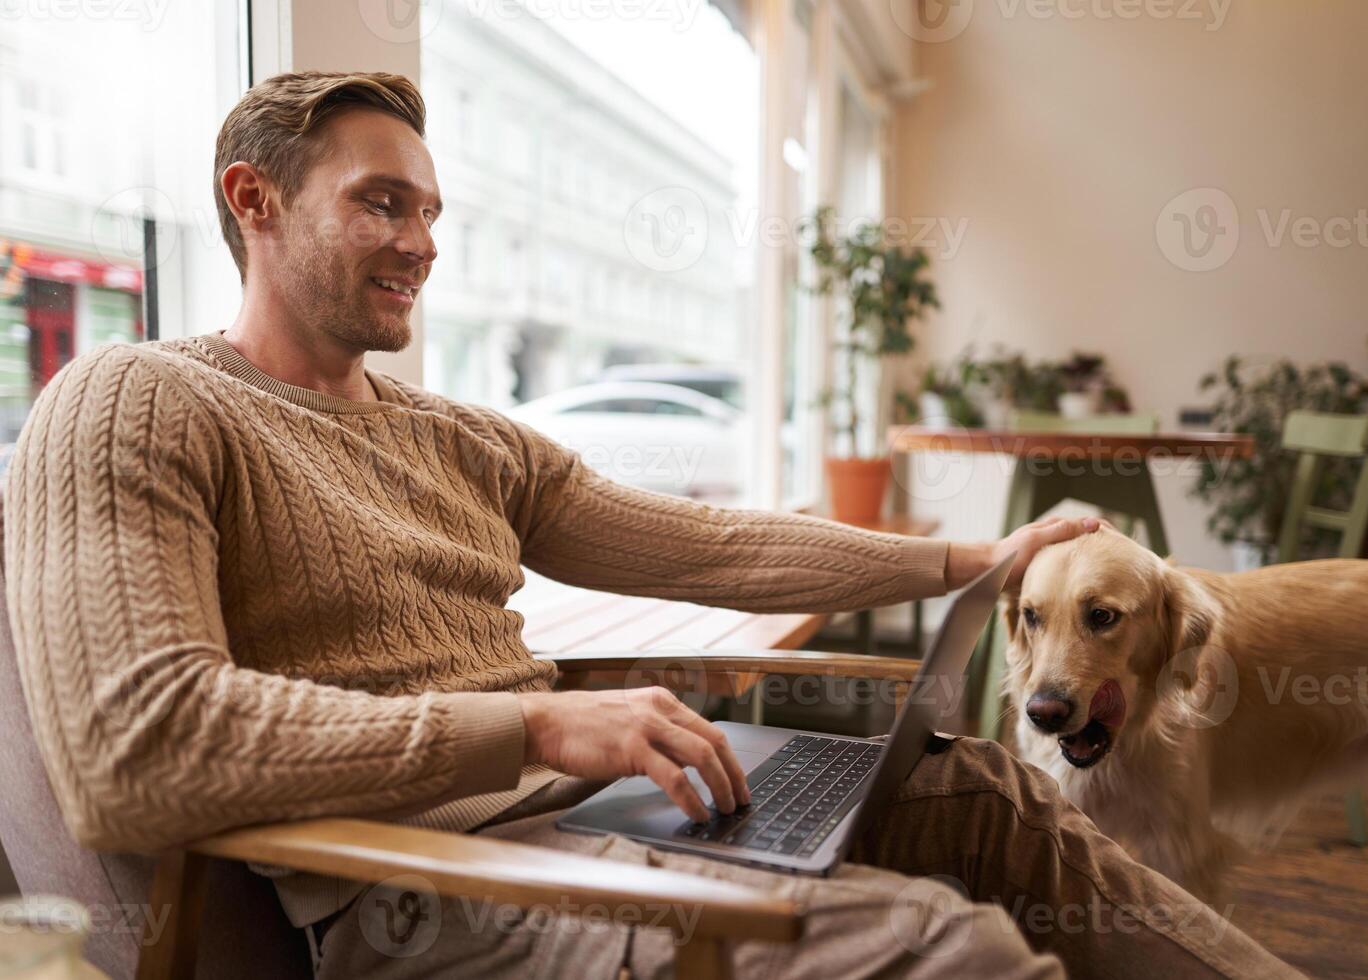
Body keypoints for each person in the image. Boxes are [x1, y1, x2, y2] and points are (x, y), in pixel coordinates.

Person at [3, 71, 1300, 978]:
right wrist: (534, 721)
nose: (422, 241)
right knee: (951, 953)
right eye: (381, 203)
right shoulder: (137, 400)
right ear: (252, 200)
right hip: (437, 895)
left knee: (982, 799)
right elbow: (140, 748)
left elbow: (711, 548)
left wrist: (973, 560)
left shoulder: (451, 434)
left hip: (608, 808)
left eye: (432, 211)